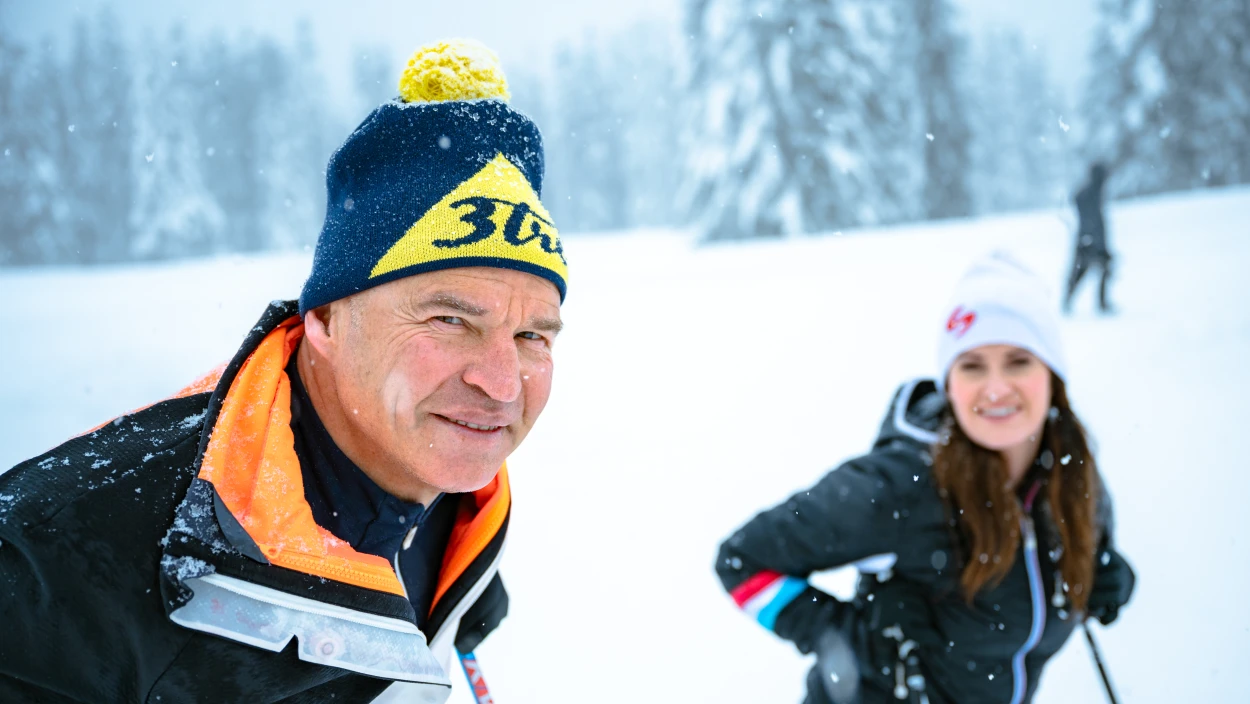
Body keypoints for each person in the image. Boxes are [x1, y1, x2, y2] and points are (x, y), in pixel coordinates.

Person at [0, 39, 567, 704]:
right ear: (325, 319)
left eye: (531, 334)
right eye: (449, 321)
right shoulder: (52, 568)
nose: (502, 385)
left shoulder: (447, 483)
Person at [715, 253, 1135, 704]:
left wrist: (1107, 579)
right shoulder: (900, 486)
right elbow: (742, 562)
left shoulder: (1071, 479)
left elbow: (1086, 555)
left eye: (1018, 361)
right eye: (972, 365)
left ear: (1052, 375)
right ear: (949, 383)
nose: (995, 387)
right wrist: (852, 640)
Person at [1064, 162, 1114, 314]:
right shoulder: (1091, 193)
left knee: (1086, 272)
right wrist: (1097, 243)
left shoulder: (1093, 192)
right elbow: (1092, 221)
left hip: (1088, 240)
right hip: (1089, 242)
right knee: (1083, 272)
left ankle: (1071, 301)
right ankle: (1099, 303)